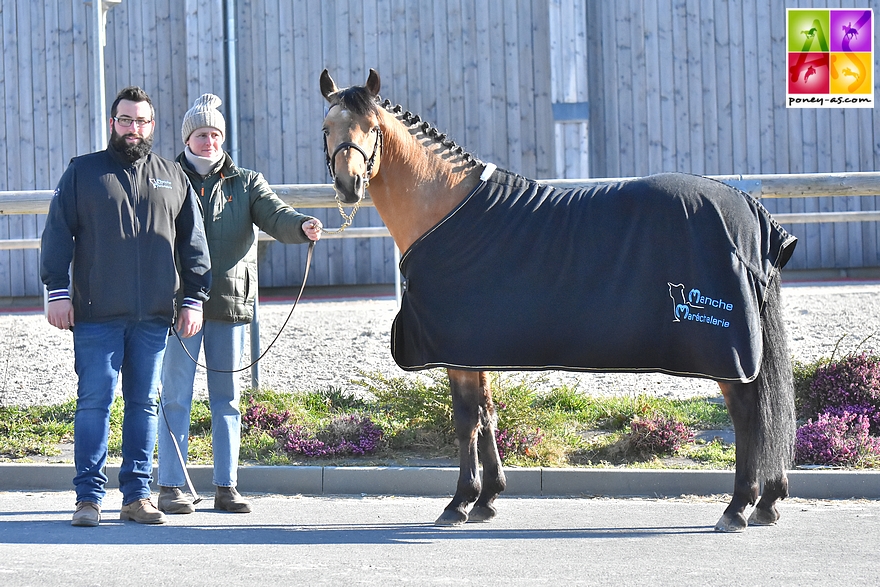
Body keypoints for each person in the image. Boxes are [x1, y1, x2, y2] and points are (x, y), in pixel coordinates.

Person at [40, 86, 212, 527]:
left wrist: (193, 299)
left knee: (144, 405)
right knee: (94, 401)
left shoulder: (172, 176)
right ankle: (89, 499)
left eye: (142, 121)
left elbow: (193, 245)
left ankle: (137, 497)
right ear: (112, 122)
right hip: (96, 316)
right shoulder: (84, 173)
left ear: (153, 126)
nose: (133, 129)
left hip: (154, 316)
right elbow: (57, 235)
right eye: (126, 120)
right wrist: (57, 293)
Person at [156, 94, 321, 515]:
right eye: (200, 134)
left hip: (229, 304)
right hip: (179, 306)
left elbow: (275, 214)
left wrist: (300, 226)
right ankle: (171, 486)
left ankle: (226, 486)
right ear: (187, 138)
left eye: (214, 133)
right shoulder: (167, 178)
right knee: (175, 396)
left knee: (226, 398)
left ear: (222, 138)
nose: (208, 141)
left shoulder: (247, 182)